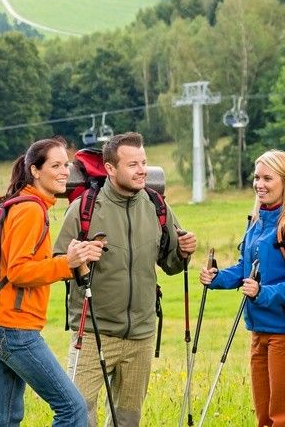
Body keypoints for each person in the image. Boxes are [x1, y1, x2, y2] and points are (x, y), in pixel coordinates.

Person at [52, 131, 197, 427]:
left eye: (143, 162)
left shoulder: (157, 206)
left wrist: (184, 252)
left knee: (128, 420)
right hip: (93, 332)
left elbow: (171, 265)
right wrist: (77, 258)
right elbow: (57, 263)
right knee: (79, 413)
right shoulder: (84, 209)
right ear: (110, 168)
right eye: (132, 164)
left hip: (141, 334)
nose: (142, 169)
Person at [0, 137, 104, 427]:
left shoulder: (29, 205)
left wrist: (70, 261)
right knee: (73, 410)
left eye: (67, 165)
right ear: (35, 171)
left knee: (5, 419)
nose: (65, 172)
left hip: (3, 323)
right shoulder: (30, 210)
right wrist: (68, 263)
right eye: (56, 165)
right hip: (15, 329)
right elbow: (20, 272)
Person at [200, 150, 285, 427]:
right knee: (263, 416)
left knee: (283, 417)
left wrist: (263, 293)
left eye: (267, 178)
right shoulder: (256, 220)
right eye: (256, 177)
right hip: (258, 330)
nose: (259, 184)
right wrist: (216, 278)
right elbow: (245, 268)